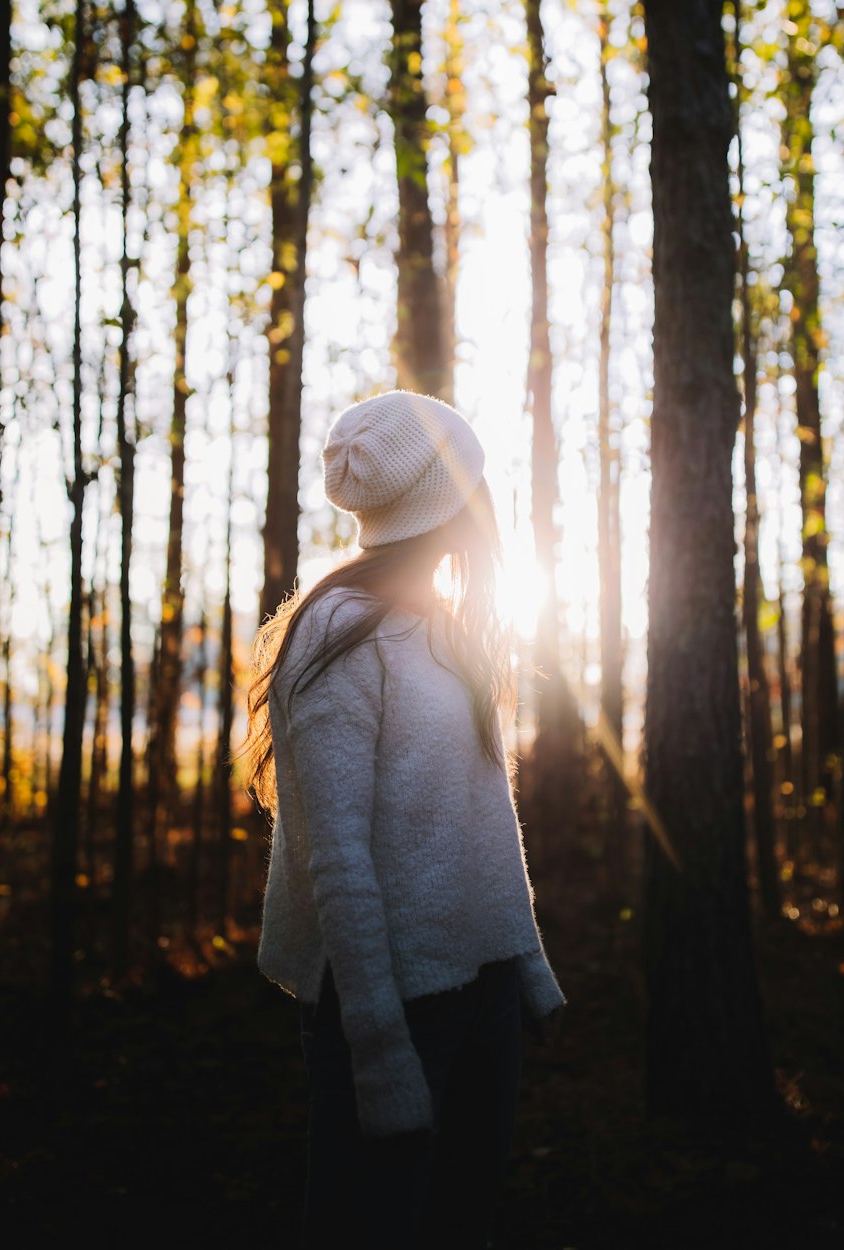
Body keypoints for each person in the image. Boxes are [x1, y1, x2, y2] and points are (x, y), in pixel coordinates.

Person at [243, 389, 564, 1249]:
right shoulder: (337, 635)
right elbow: (338, 861)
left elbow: (486, 817)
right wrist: (379, 1053)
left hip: (484, 994)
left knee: (462, 1221)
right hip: (390, 1011)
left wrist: (525, 965)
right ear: (447, 501)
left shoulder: (446, 630)